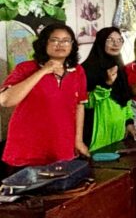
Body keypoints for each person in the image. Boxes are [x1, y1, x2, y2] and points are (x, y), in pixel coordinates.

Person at [1, 24, 89, 170]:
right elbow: (5, 100)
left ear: (72, 45)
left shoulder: (77, 71)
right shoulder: (25, 68)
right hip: (28, 147)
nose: (60, 44)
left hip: (61, 144)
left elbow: (79, 105)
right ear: (44, 43)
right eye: (54, 40)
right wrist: (43, 71)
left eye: (66, 40)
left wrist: (78, 140)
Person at [82, 27, 136, 152]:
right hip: (96, 134)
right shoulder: (87, 69)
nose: (116, 44)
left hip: (118, 131)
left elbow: (125, 97)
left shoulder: (119, 67)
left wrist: (129, 122)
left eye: (119, 40)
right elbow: (85, 104)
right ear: (101, 42)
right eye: (110, 40)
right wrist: (107, 84)